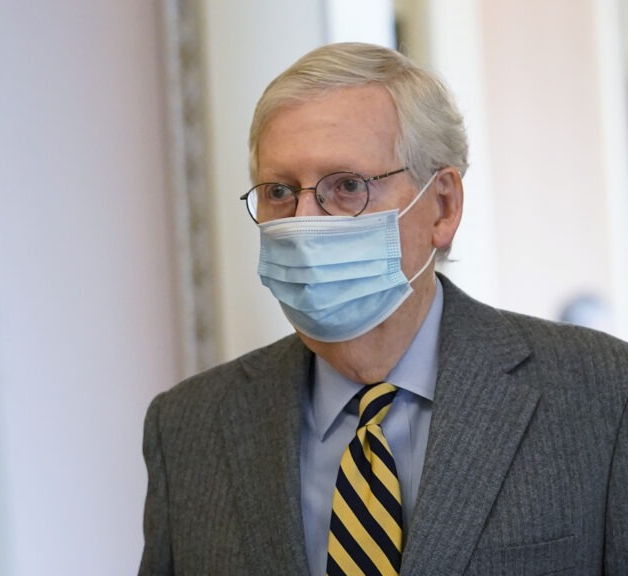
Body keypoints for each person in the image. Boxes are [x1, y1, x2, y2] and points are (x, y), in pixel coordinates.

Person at [138, 42, 628, 576]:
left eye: (346, 186)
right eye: (280, 191)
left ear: (442, 206)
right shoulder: (187, 426)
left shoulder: (602, 394)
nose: (305, 223)